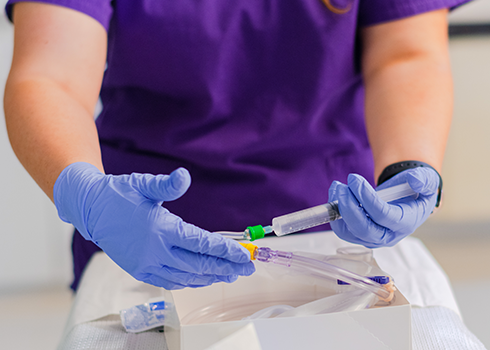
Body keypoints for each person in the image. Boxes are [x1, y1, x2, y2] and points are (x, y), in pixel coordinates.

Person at [3, 0, 467, 291]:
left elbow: (406, 54)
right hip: (138, 238)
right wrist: (88, 195)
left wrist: (408, 164)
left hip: (343, 232)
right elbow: (50, 76)